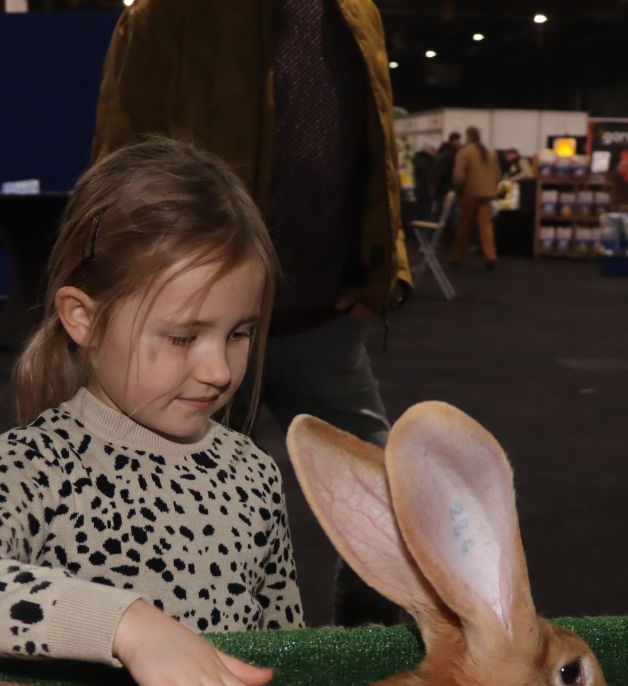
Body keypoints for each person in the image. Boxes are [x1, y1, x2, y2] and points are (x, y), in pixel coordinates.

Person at [0, 139, 299, 686]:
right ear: (83, 318)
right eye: (182, 336)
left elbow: (287, 653)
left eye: (238, 333)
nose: (218, 369)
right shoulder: (39, 463)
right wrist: (128, 627)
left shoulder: (256, 474)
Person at [92, 0, 411, 626]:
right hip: (198, 333)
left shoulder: (355, 14)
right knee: (184, 524)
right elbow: (119, 170)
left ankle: (364, 661)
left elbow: (378, 156)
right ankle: (198, 683)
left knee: (391, 506)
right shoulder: (164, 19)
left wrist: (378, 275)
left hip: (322, 323)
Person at [450, 126, 499, 270]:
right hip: (488, 194)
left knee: (463, 225)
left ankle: (458, 257)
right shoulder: (491, 151)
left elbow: (458, 176)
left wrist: (457, 189)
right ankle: (491, 256)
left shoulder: (465, 152)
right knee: (486, 225)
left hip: (469, 194)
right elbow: (497, 174)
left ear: (467, 137)